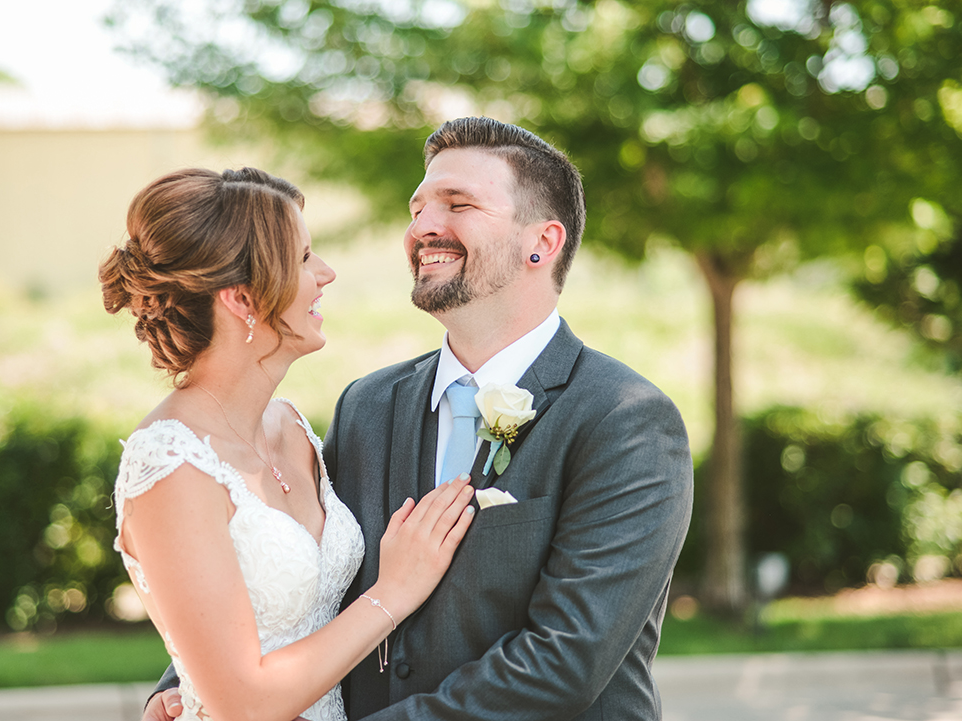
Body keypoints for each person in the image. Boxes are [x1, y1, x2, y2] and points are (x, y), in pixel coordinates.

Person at [147, 117, 693, 720]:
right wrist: (190, 687)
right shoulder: (368, 405)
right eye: (418, 208)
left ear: (543, 242)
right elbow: (301, 562)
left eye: (457, 204)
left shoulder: (626, 420)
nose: (423, 227)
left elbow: (563, 664)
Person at [99, 166, 476, 721]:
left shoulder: (292, 428)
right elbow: (244, 701)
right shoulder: (171, 464)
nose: (325, 273)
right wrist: (394, 593)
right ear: (243, 299)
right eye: (302, 259)